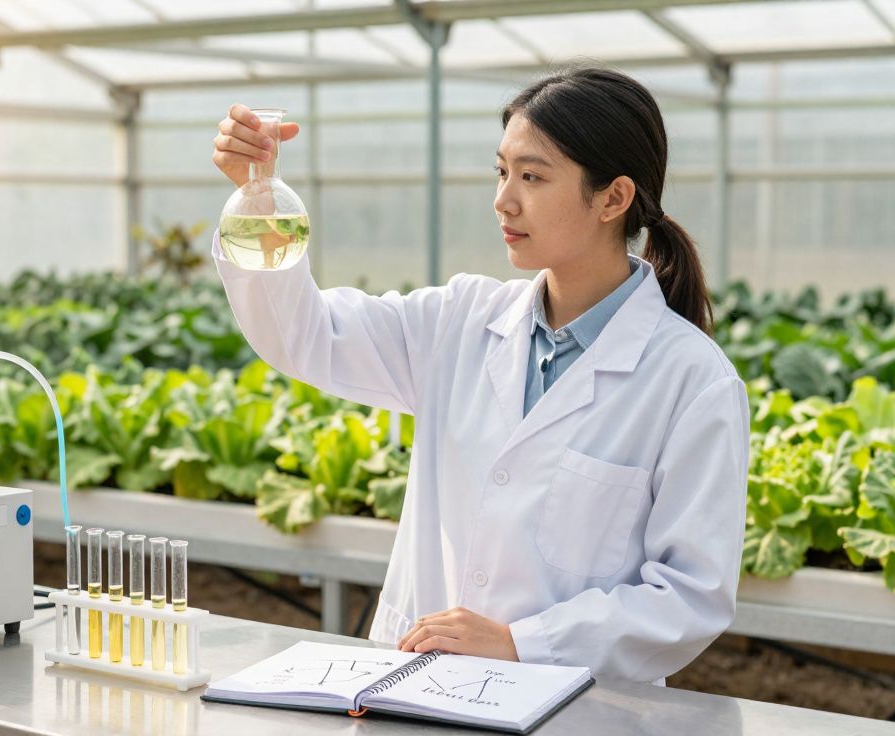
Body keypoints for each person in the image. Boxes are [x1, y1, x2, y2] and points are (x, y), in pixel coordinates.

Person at [209, 66, 750, 685]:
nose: (503, 199)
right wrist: (257, 195)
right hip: (411, 688)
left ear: (612, 198)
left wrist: (523, 644)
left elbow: (689, 595)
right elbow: (304, 336)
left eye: (532, 177)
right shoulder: (458, 323)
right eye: (502, 171)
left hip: (574, 709)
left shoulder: (692, 382)